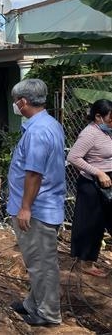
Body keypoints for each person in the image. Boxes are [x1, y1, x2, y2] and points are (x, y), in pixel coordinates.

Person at [6, 78, 66, 327]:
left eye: (15, 102)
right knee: (36, 261)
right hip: (42, 206)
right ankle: (33, 303)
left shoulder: (39, 132)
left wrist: (25, 208)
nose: (15, 106)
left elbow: (34, 173)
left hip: (37, 210)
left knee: (42, 264)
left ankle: (48, 313)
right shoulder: (48, 124)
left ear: (23, 102)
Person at [67, 99, 112, 278]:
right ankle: (85, 262)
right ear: (98, 117)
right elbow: (74, 157)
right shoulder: (89, 134)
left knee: (104, 222)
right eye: (110, 119)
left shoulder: (108, 132)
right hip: (93, 184)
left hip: (108, 180)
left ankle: (89, 259)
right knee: (91, 223)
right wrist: (98, 173)